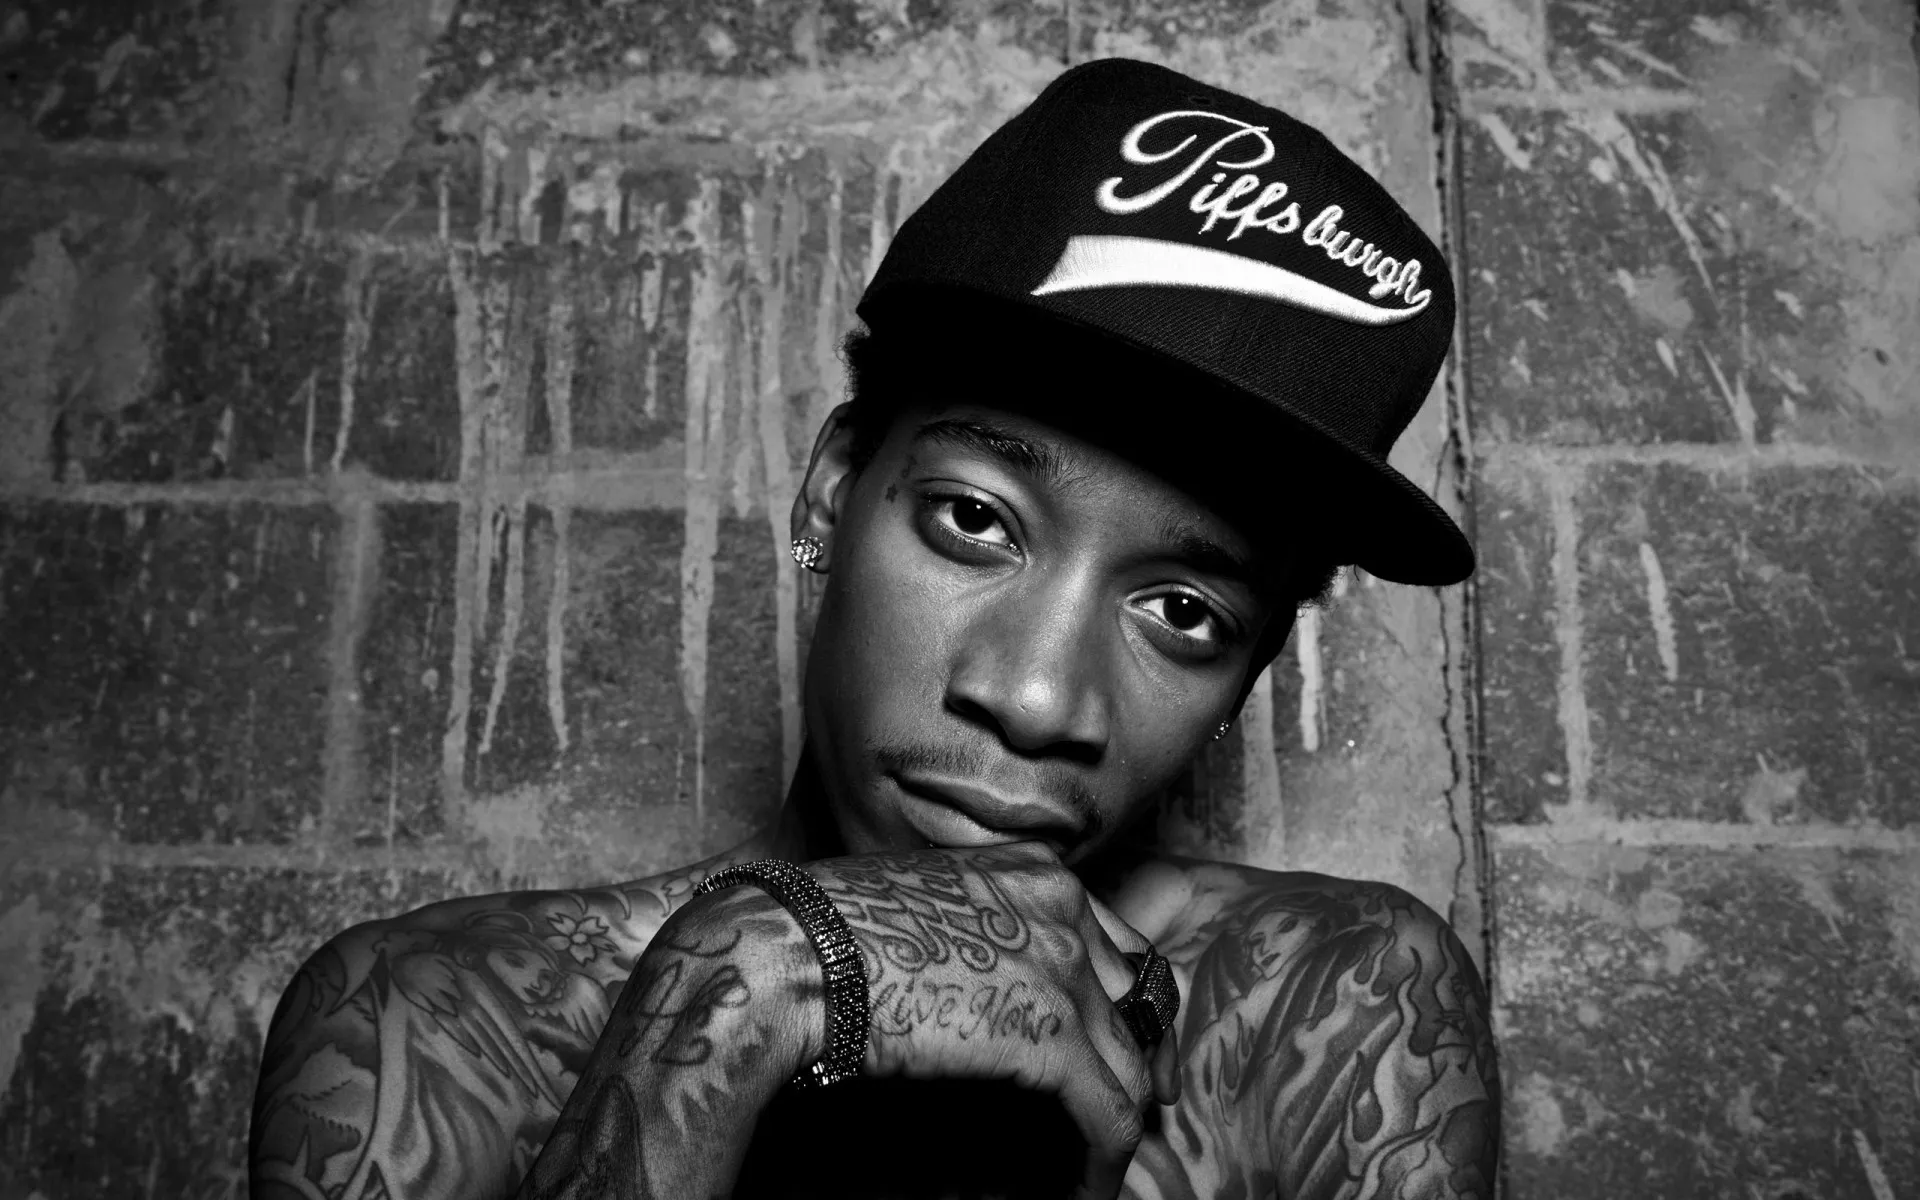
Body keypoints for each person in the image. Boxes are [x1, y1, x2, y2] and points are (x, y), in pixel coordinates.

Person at [249, 57, 1500, 1200]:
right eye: (976, 521)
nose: (1037, 700)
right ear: (831, 498)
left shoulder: (1331, 1008)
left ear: (1252, 670)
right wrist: (740, 988)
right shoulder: (438, 1026)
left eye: (1184, 612)